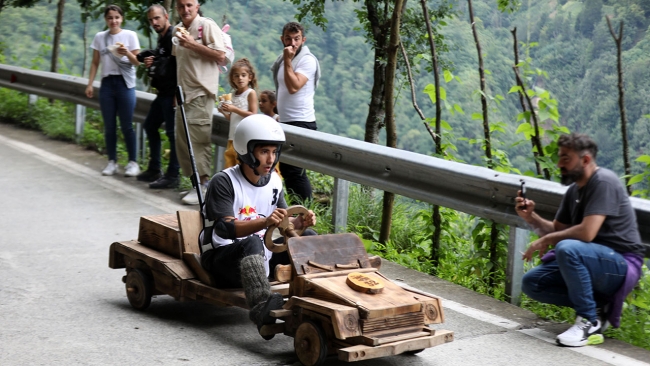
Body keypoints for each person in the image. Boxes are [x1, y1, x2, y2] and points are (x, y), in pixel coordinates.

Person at [515, 133, 645, 347]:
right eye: (559, 158)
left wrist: (547, 239)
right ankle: (597, 307)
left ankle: (587, 321)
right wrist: (531, 217)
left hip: (620, 265)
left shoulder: (604, 182)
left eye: (566, 158)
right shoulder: (574, 190)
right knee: (532, 283)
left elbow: (586, 233)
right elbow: (557, 231)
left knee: (568, 248)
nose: (559, 164)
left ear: (585, 160)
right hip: (590, 261)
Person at [200, 114, 317, 333]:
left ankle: (316, 299)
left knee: (309, 236)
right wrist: (263, 221)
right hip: (222, 258)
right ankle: (261, 307)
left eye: (273, 152)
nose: (270, 159)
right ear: (246, 150)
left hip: (262, 255)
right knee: (253, 241)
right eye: (264, 152)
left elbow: (282, 220)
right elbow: (225, 229)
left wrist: (299, 222)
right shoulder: (224, 181)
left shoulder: (274, 181)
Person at [173, 0, 227, 205]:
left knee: (198, 140)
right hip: (183, 93)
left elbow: (220, 55)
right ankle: (195, 184)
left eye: (189, 5)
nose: (185, 10)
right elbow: (179, 63)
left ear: (196, 6)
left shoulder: (207, 25)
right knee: (184, 142)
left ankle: (203, 187)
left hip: (201, 92)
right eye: (181, 6)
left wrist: (192, 44)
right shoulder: (178, 30)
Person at [85, 4, 141, 177]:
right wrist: (90, 83)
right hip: (107, 83)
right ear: (105, 19)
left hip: (125, 84)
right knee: (109, 126)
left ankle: (132, 162)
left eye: (116, 17)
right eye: (110, 18)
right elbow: (95, 62)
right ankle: (112, 161)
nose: (113, 21)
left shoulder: (130, 35)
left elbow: (137, 61)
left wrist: (126, 53)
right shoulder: (100, 37)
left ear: (121, 18)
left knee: (126, 125)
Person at [271, 22, 321, 202]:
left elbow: (294, 87)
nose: (292, 43)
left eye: (297, 39)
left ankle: (306, 213)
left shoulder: (306, 60)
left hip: (301, 121)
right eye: (288, 38)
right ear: (282, 39)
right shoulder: (286, 58)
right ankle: (297, 212)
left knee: (295, 172)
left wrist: (286, 60)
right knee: (286, 170)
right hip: (285, 121)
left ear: (303, 39)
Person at [135, 4, 181, 189]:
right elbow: (164, 60)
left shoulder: (172, 36)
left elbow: (179, 65)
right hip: (161, 93)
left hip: (171, 94)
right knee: (150, 125)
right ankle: (155, 168)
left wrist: (178, 94)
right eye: (151, 20)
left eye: (157, 18)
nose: (154, 22)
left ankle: (173, 175)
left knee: (172, 135)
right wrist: (149, 59)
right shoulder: (162, 39)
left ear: (166, 16)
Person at [218, 58, 258, 169]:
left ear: (250, 77)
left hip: (244, 137)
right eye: (236, 75)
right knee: (229, 165)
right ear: (232, 79)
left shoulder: (251, 93)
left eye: (243, 75)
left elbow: (253, 115)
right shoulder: (233, 94)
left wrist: (234, 109)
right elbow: (232, 118)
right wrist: (223, 111)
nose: (240, 78)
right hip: (232, 137)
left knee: (242, 166)